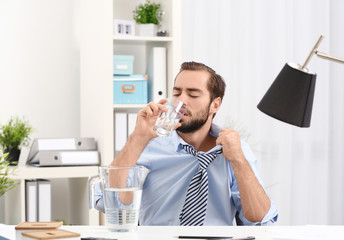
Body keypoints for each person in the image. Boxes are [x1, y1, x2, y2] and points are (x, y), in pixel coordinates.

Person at [95, 61, 278, 226]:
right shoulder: (148, 146)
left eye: (193, 94)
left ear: (215, 105)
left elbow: (260, 218)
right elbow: (113, 202)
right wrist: (137, 137)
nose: (181, 101)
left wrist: (237, 159)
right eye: (177, 93)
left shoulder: (235, 149)